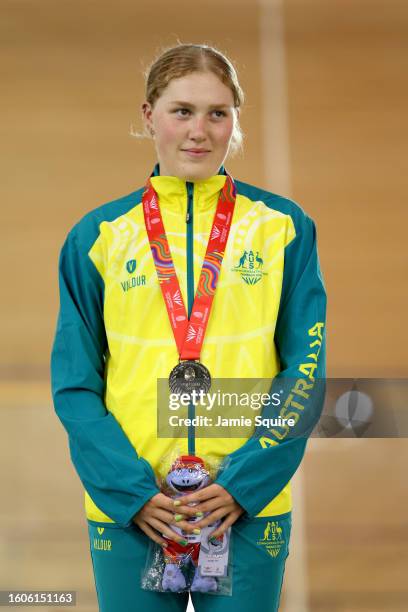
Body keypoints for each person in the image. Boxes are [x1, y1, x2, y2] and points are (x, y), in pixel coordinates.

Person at [50, 43, 326, 612]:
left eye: (217, 113)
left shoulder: (284, 228)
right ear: (149, 116)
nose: (199, 131)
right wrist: (131, 492)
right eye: (182, 111)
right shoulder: (97, 236)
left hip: (245, 505)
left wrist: (246, 483)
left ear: (234, 122)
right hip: (135, 509)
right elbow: (75, 385)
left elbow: (304, 369)